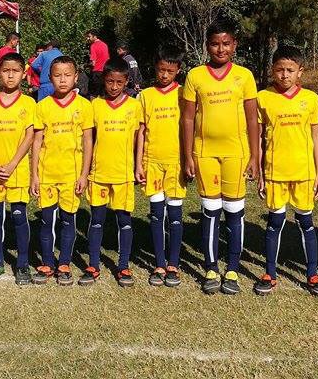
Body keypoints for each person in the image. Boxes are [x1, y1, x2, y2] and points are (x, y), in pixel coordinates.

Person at [181, 18, 260, 295]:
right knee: (211, 211)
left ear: (234, 45)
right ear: (207, 45)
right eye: (215, 44)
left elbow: (252, 119)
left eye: (226, 43)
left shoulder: (244, 76)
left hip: (236, 154)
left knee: (234, 211)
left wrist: (255, 156)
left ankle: (233, 269)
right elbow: (187, 118)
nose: (221, 49)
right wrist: (188, 156)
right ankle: (212, 267)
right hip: (204, 154)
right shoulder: (195, 76)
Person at [253, 46, 318, 296]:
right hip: (275, 173)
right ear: (272, 70)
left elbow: (316, 137)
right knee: (275, 222)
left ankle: (312, 274)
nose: (284, 75)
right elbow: (259, 138)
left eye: (290, 70)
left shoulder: (311, 98)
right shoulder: (263, 98)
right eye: (279, 70)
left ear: (300, 72)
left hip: (304, 172)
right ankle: (270, 273)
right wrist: (260, 171)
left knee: (306, 222)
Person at [30, 55, 94, 286]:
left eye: (67, 75)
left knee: (68, 219)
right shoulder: (42, 106)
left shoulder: (84, 106)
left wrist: (84, 174)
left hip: (71, 175)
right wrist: (34, 175)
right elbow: (37, 142)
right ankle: (48, 262)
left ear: (76, 77)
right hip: (47, 174)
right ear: (50, 78)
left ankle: (64, 263)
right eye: (57, 75)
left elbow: (88, 141)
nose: (63, 80)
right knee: (47, 220)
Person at [80, 57, 143, 287]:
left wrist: (137, 165)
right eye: (110, 81)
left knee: (124, 220)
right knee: (96, 220)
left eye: (119, 82)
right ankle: (93, 264)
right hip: (99, 174)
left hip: (123, 174)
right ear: (104, 80)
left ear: (126, 81)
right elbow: (89, 139)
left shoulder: (134, 106)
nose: (114, 86)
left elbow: (138, 138)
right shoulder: (95, 105)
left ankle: (123, 265)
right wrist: (85, 170)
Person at [0, 52, 36, 284]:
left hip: (17, 171)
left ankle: (22, 264)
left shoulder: (29, 103)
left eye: (15, 71)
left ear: (23, 73)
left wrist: (13, 164)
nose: (10, 75)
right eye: (5, 71)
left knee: (19, 217)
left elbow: (30, 136)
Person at [136, 47, 185, 287]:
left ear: (178, 70)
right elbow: (141, 131)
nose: (165, 75)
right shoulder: (145, 95)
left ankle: (173, 263)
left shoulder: (184, 93)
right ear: (155, 68)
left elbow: (189, 127)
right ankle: (159, 263)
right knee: (157, 214)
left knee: (174, 214)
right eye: (161, 70)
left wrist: (189, 160)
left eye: (170, 71)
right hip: (152, 162)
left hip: (176, 162)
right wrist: (138, 163)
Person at [86, 29, 110, 98]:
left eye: (89, 36)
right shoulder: (105, 45)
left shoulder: (93, 46)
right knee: (103, 95)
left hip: (96, 72)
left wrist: (86, 65)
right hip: (105, 72)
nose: (88, 38)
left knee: (93, 95)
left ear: (95, 36)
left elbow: (93, 63)